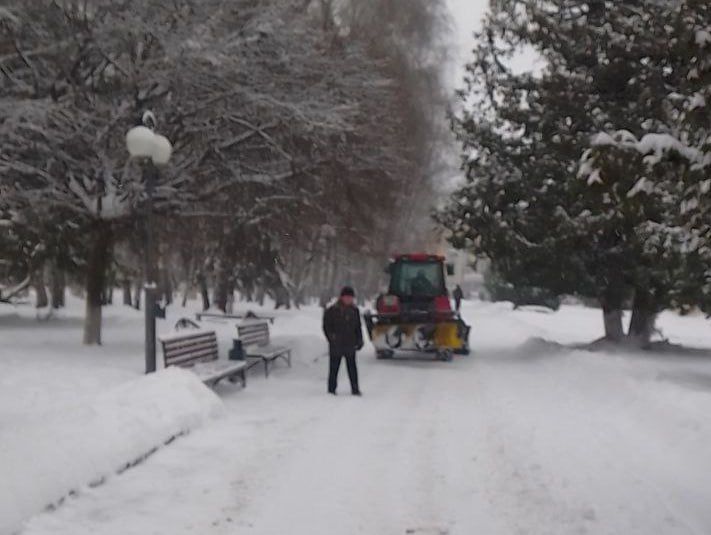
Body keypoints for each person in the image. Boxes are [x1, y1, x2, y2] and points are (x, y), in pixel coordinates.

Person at [323, 286, 363, 396]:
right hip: (336, 344)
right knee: (334, 368)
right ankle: (331, 389)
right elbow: (326, 326)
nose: (349, 299)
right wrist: (332, 337)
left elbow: (358, 327)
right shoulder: (332, 310)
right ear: (341, 297)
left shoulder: (355, 310)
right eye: (347, 297)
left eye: (351, 298)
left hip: (350, 343)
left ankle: (355, 389)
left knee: (352, 368)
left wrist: (360, 340)